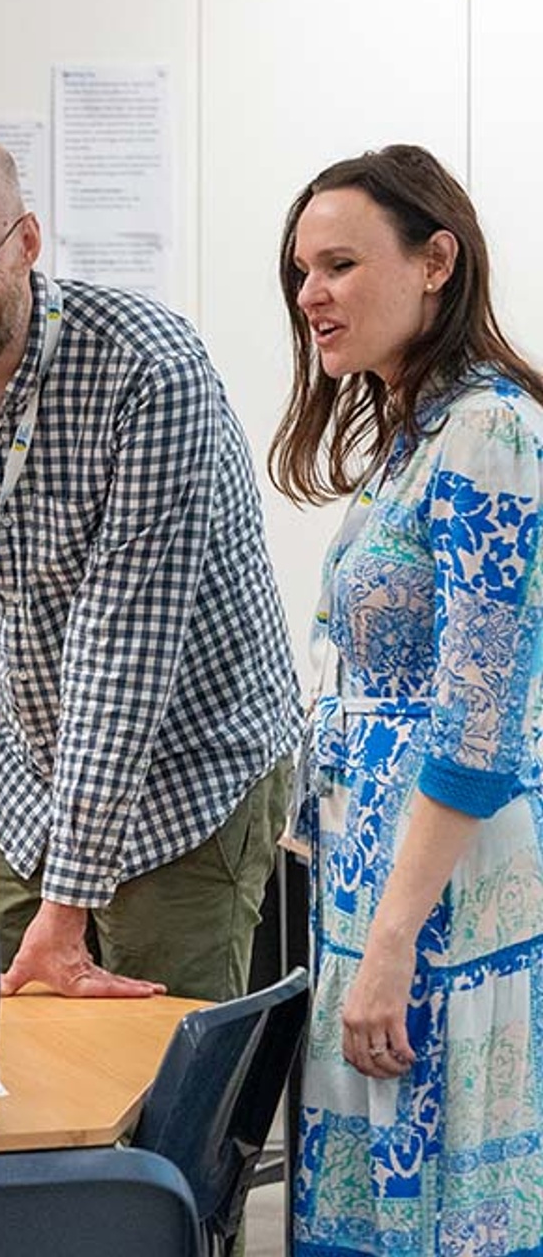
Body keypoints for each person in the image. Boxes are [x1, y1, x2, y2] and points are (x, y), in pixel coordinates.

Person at [0, 129, 301, 1002]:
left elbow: (123, 653)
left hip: (190, 781)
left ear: (27, 243)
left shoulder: (146, 372)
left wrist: (67, 911)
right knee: (10, 1079)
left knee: (155, 1092)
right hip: (30, 785)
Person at [271, 144, 543, 1256]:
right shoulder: (408, 432)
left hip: (438, 893)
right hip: (373, 881)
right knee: (368, 1210)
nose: (311, 297)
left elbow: (480, 720)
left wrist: (392, 941)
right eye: (300, 271)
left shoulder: (491, 431)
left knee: (433, 1216)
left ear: (438, 261)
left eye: (340, 264)